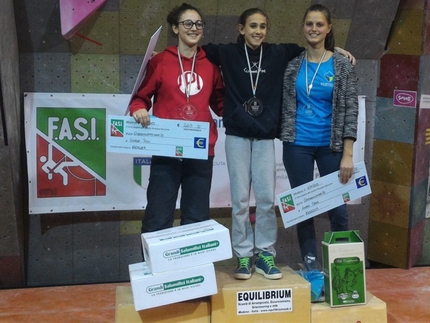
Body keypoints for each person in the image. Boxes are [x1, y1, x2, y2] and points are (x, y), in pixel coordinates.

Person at [203, 7, 353, 280]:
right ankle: (244, 256)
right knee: (238, 200)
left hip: (265, 138)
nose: (257, 31)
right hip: (237, 135)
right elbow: (195, 50)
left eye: (262, 26)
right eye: (252, 26)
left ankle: (265, 254)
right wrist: (163, 56)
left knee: (265, 199)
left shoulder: (280, 53)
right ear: (241, 29)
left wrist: (337, 49)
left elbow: (316, 47)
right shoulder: (226, 52)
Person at [128, 3, 224, 235]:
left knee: (197, 218)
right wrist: (138, 109)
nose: (194, 28)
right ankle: (155, 270)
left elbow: (221, 104)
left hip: (200, 149)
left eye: (198, 23)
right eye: (187, 23)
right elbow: (140, 97)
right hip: (166, 148)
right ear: (175, 28)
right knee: (158, 216)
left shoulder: (211, 64)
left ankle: (189, 271)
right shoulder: (160, 61)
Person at [280, 4, 358, 263]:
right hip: (297, 145)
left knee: (338, 207)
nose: (314, 29)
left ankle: (342, 264)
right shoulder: (292, 65)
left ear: (328, 29)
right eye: (309, 24)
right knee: (304, 209)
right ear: (303, 27)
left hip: (331, 147)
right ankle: (311, 266)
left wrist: (348, 155)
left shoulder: (342, 66)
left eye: (319, 24)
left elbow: (350, 109)